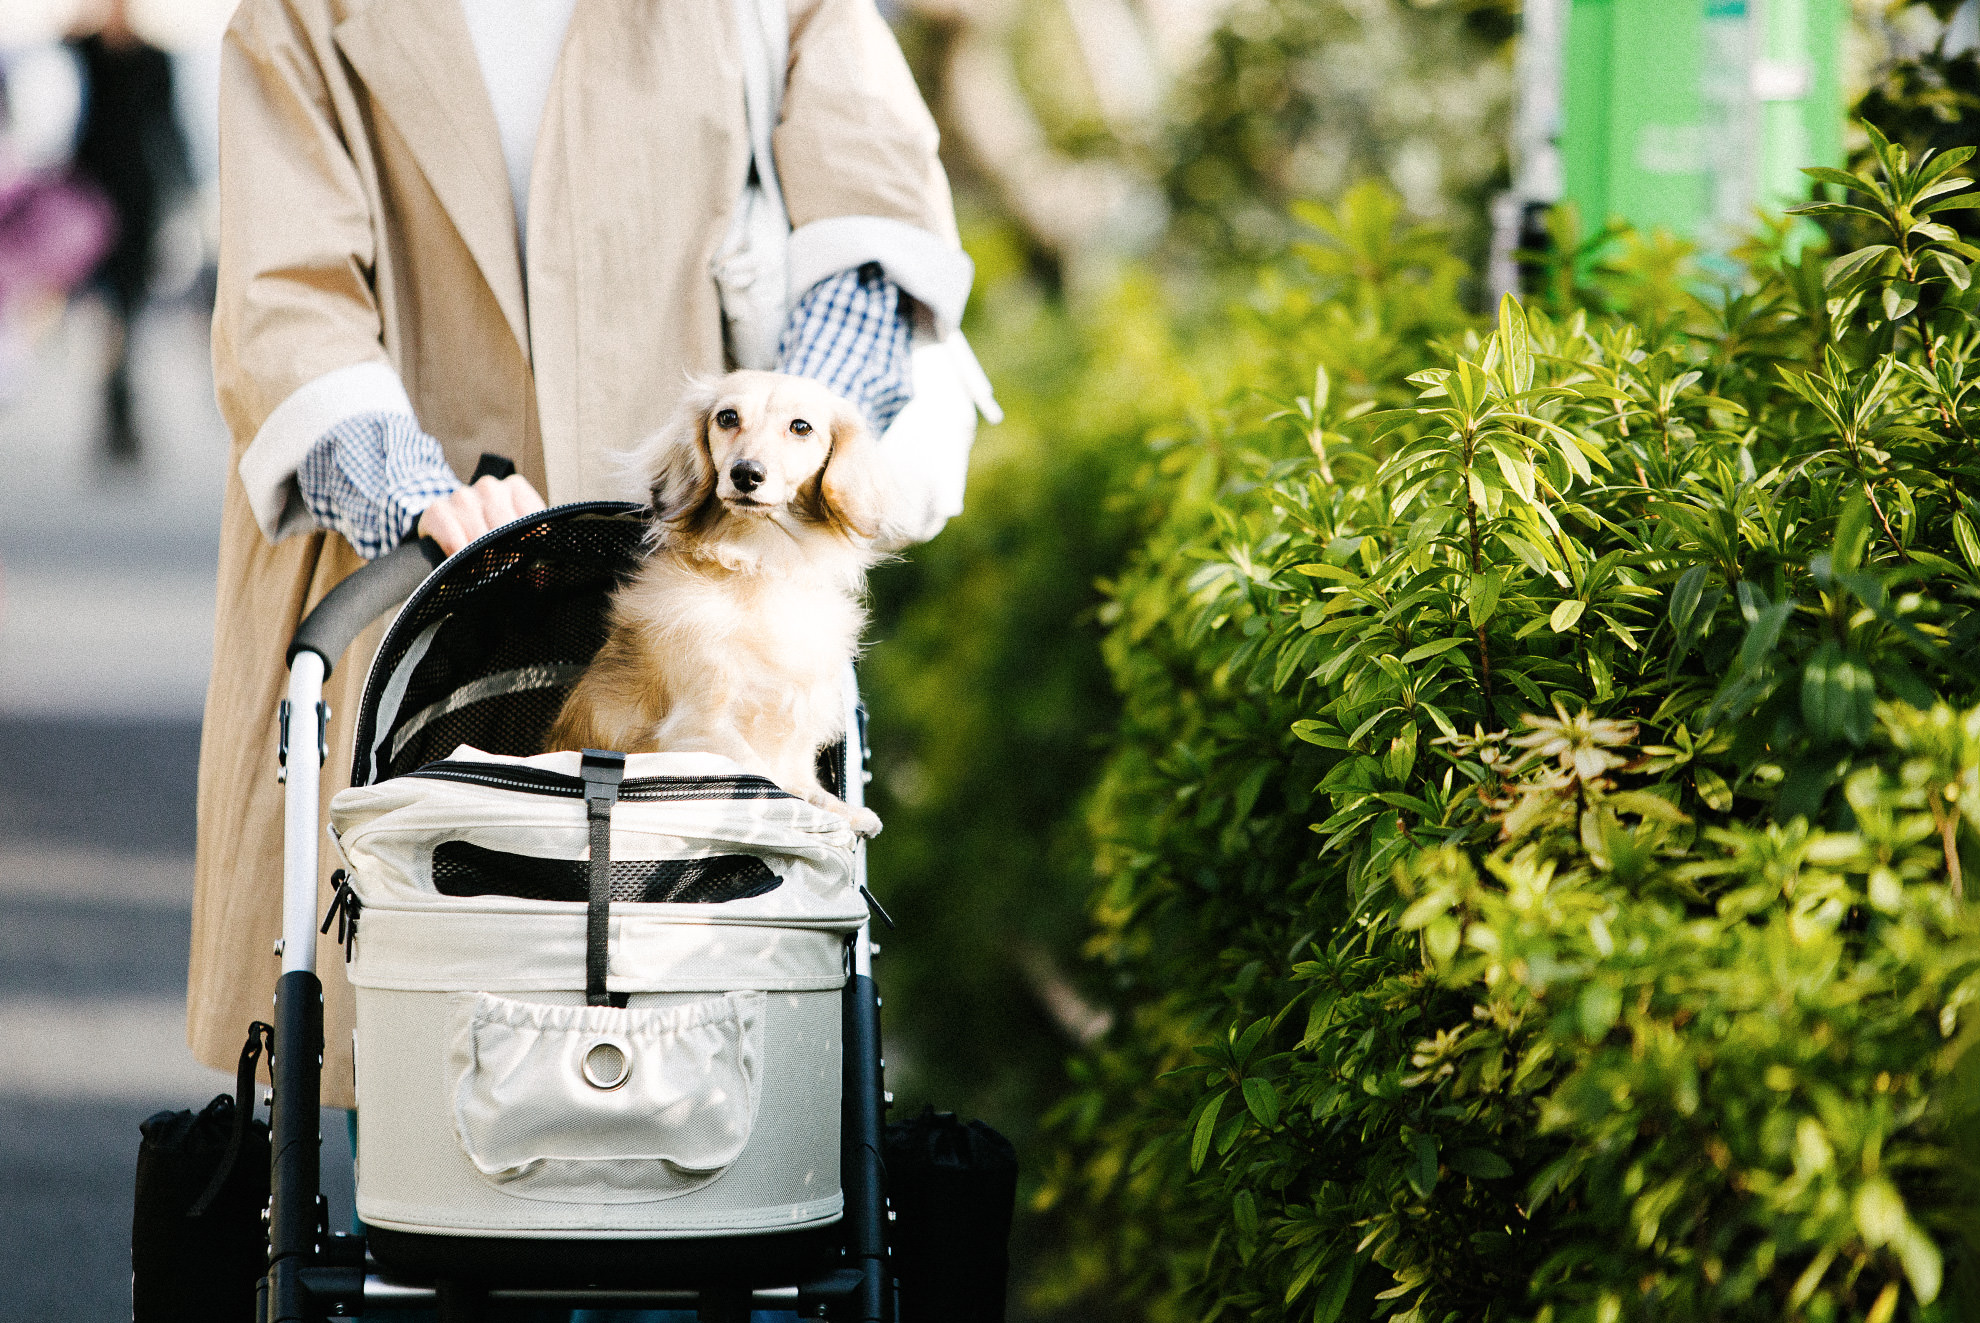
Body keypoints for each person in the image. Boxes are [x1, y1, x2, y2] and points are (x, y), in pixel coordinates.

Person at [190, 0, 969, 1175]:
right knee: (428, 1040)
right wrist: (412, 494)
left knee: (697, 1048)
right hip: (408, 571)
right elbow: (283, 295)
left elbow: (871, 225)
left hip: (703, 574)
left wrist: (773, 443)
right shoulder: (304, 13)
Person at [65, 0, 193, 459]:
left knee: (129, 315)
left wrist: (183, 195)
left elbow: (170, 129)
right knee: (104, 312)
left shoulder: (156, 58)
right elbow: (53, 95)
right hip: (87, 202)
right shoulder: (82, 50)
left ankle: (122, 413)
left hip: (138, 202)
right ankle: (113, 412)